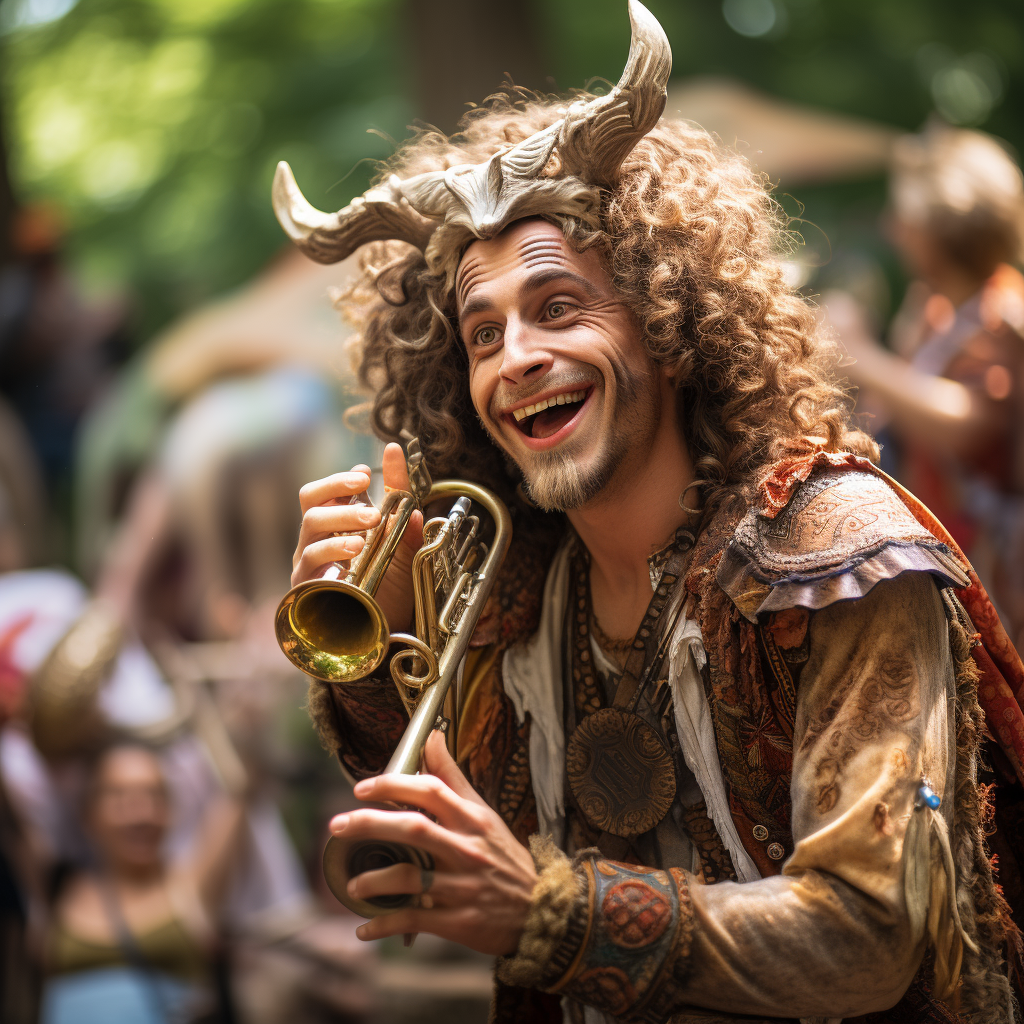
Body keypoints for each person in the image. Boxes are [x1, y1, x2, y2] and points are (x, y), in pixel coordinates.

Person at [280, 3, 1024, 1021]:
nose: (517, 358)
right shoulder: (514, 585)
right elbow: (461, 844)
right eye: (482, 334)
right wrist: (374, 648)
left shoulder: (835, 547)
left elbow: (868, 933)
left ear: (668, 318)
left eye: (557, 307)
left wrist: (552, 912)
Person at [825, 124, 1024, 650]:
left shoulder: (1006, 317)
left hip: (1004, 573)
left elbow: (973, 426)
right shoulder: (935, 312)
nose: (894, 229)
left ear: (941, 227)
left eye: (905, 217)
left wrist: (863, 356)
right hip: (955, 556)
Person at [41, 742, 244, 1024]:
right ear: (88, 813)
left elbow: (239, 786)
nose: (142, 814)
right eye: (121, 797)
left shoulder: (192, 885)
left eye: (155, 796)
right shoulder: (54, 886)